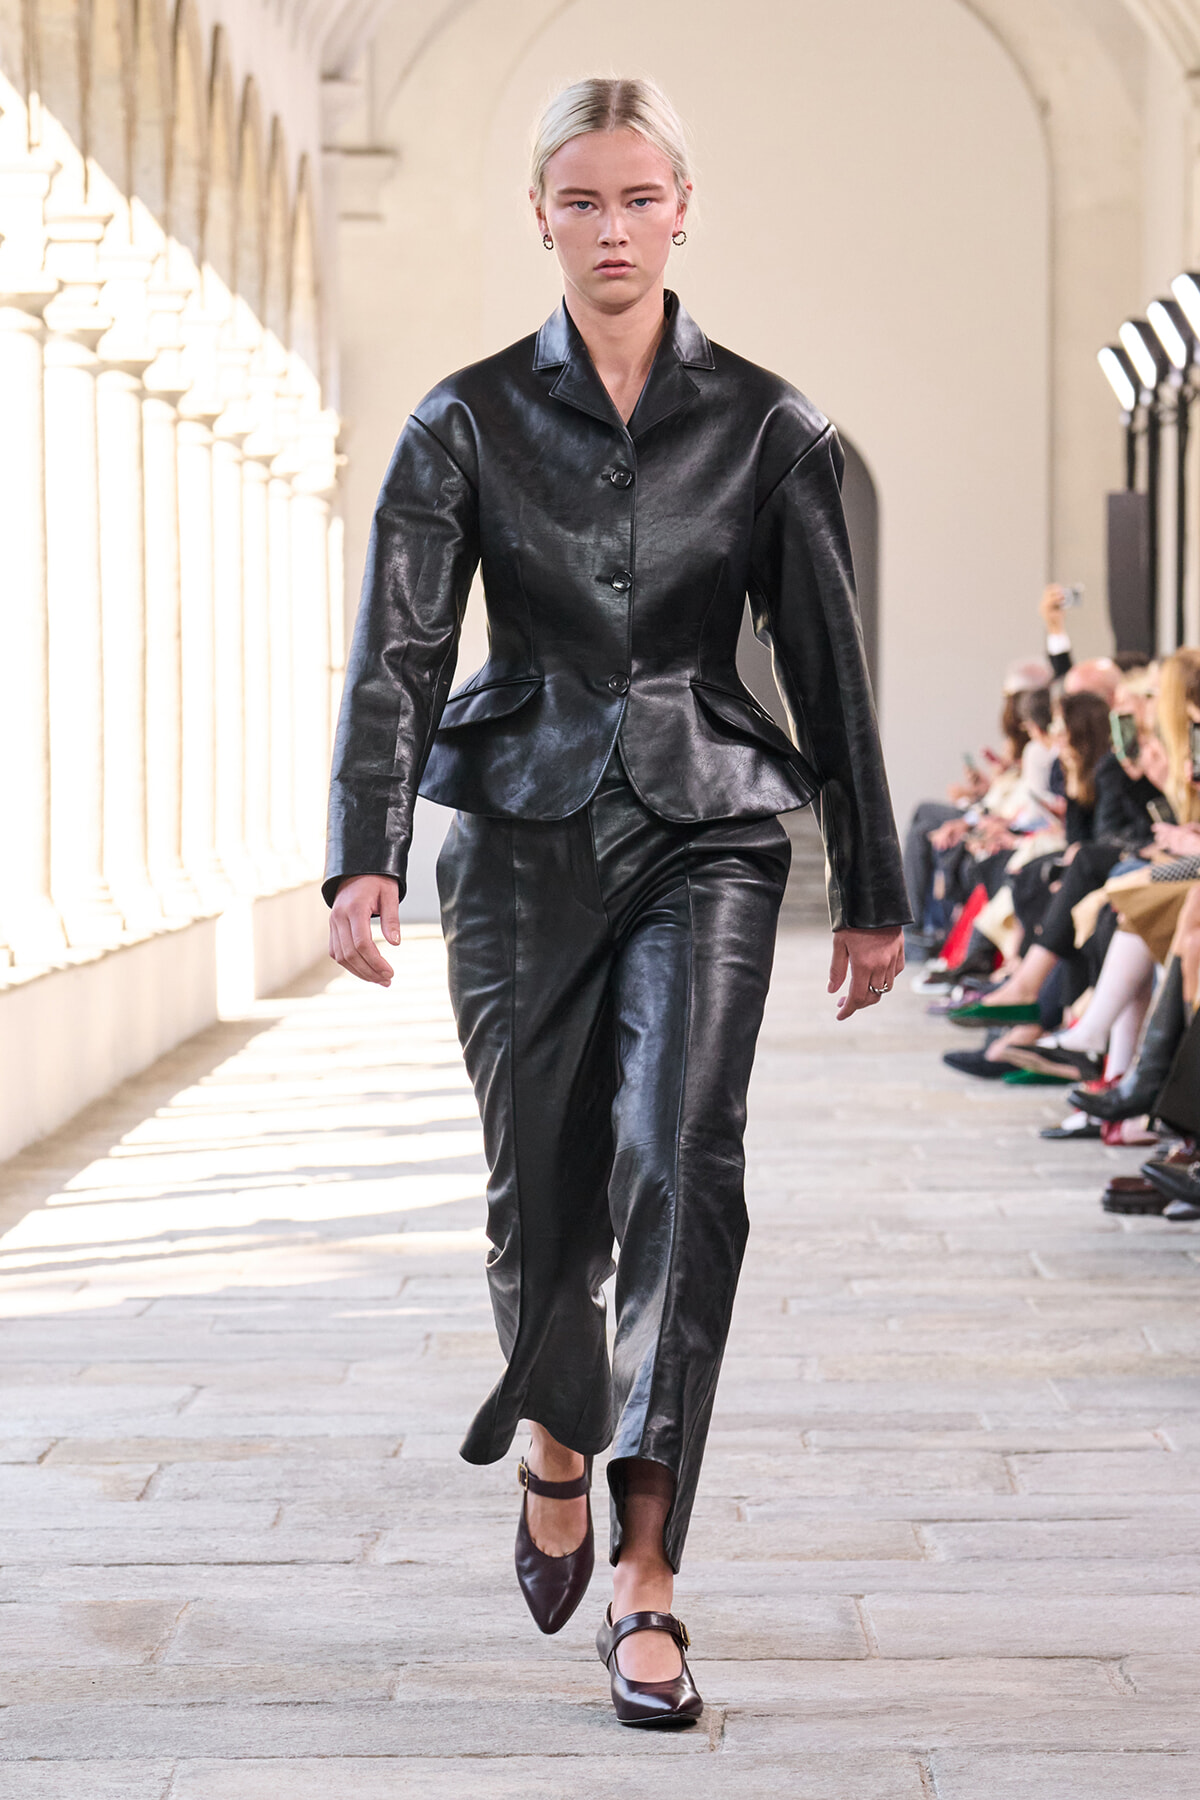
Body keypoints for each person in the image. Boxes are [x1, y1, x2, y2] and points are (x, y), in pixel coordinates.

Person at [322, 77, 909, 1728]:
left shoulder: (770, 426)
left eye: (638, 199)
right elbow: (403, 649)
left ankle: (651, 1582)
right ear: (542, 217)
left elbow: (827, 665)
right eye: (580, 201)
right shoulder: (466, 420)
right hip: (513, 834)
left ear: (681, 206)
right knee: (541, 1197)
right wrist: (364, 844)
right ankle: (555, 1438)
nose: (612, 229)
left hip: (706, 829)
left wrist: (870, 881)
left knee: (681, 1164)